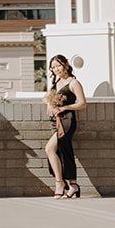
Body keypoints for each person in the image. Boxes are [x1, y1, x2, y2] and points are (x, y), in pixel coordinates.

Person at [44, 53, 87, 198]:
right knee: (64, 151)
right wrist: (50, 103)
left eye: (58, 66)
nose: (56, 69)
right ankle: (73, 185)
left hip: (67, 121)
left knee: (50, 148)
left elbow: (82, 103)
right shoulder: (55, 84)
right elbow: (46, 98)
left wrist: (64, 108)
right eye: (53, 67)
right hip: (57, 121)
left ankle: (60, 183)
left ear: (66, 65)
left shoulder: (73, 83)